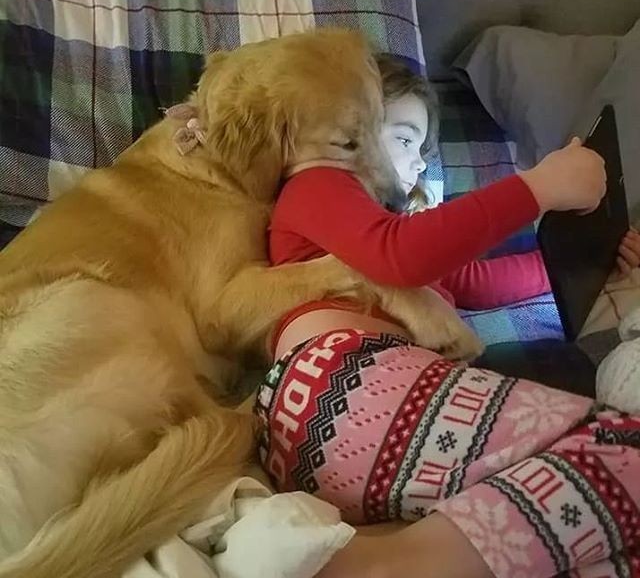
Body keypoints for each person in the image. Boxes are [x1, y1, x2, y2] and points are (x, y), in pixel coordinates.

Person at [254, 55, 640, 578]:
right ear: (346, 127)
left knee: (604, 543)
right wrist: (540, 187)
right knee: (625, 447)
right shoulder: (317, 184)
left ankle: (386, 554)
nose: (418, 164)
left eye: (424, 151)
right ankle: (376, 567)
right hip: (342, 384)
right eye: (405, 138)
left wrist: (596, 257)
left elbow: (476, 280)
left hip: (359, 438)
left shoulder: (396, 242)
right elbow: (403, 253)